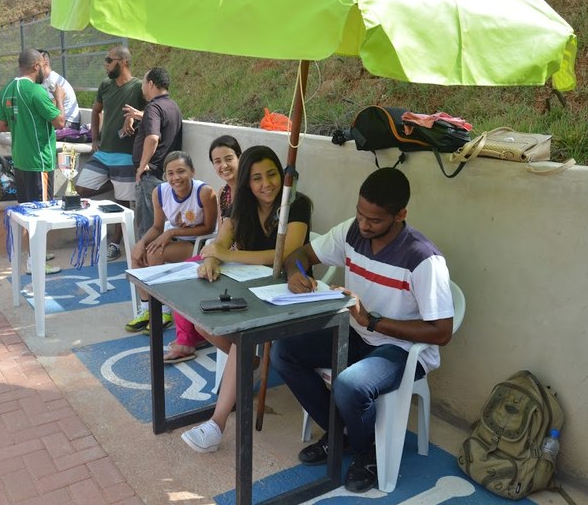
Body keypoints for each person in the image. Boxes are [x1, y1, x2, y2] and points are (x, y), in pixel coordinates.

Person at [270, 167, 454, 493]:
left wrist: (371, 320)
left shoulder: (423, 259)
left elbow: (441, 332)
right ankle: (339, 432)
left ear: (400, 215)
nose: (364, 225)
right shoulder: (351, 231)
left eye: (375, 220)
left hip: (401, 350)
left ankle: (366, 454)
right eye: (360, 214)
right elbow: (300, 254)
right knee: (284, 352)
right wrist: (295, 272)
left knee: (350, 385)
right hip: (357, 332)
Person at [180, 145, 313, 453]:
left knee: (242, 339)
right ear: (247, 183)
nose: (267, 184)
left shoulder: (297, 204)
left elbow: (284, 252)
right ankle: (251, 362)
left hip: (290, 291)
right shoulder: (240, 207)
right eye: (257, 178)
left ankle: (216, 425)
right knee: (203, 324)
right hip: (250, 289)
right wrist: (211, 259)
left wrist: (226, 255)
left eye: (272, 174)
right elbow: (220, 241)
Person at [164, 135, 242, 362]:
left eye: (229, 158)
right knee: (182, 273)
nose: (223, 165)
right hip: (224, 255)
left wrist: (217, 254)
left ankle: (191, 338)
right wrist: (212, 255)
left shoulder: (250, 190)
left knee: (192, 275)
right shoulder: (224, 192)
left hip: (243, 260)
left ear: (240, 157)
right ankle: (189, 338)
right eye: (217, 161)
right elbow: (221, 233)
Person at [126, 151, 217, 333]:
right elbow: (157, 227)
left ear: (192, 171)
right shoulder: (160, 192)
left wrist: (173, 231)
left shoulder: (204, 192)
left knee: (154, 254)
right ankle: (147, 309)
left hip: (198, 243)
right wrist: (141, 243)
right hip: (175, 239)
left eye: (181, 171)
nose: (176, 177)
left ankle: (163, 310)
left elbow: (209, 228)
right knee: (137, 255)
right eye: (170, 173)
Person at [0, 48, 66, 274]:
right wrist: (59, 99)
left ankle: (35, 254)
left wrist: (24, 124)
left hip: (20, 160)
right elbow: (60, 122)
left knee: (28, 212)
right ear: (36, 66)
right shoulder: (36, 91)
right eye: (44, 65)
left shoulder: (7, 89)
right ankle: (35, 264)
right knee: (41, 214)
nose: (46, 69)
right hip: (39, 162)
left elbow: (1, 126)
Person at [74, 46, 146, 261]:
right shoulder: (105, 85)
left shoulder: (139, 87)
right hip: (103, 152)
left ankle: (115, 245)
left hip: (126, 154)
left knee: (123, 204)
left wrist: (134, 116)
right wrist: (95, 138)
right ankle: (117, 184)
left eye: (109, 60)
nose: (105, 64)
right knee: (81, 188)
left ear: (123, 62)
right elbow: (96, 110)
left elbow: (153, 112)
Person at [129, 67, 183, 243]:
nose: (142, 87)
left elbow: (153, 138)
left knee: (148, 228)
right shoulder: (173, 106)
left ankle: (145, 259)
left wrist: (142, 166)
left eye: (143, 83)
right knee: (159, 227)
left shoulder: (153, 107)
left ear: (151, 84)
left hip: (150, 175)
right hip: (164, 174)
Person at [38, 49, 82, 130]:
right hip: (62, 121)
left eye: (37, 64)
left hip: (69, 123)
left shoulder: (52, 81)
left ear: (45, 63)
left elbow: (51, 108)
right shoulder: (44, 80)